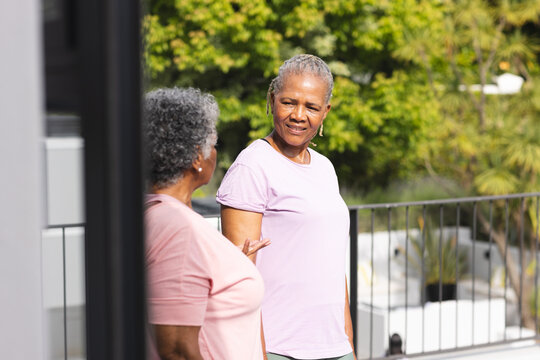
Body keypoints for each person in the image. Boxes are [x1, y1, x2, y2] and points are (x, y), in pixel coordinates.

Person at [217, 54, 356, 360]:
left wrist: (348, 342)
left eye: (311, 107)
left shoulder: (325, 168)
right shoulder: (253, 166)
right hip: (279, 349)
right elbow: (239, 280)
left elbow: (333, 269)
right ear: (272, 99)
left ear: (325, 112)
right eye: (289, 102)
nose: (298, 115)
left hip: (335, 347)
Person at [143, 87, 270, 360]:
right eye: (213, 144)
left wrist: (228, 264)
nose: (215, 152)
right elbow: (177, 348)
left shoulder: (154, 215)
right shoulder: (177, 228)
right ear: (196, 158)